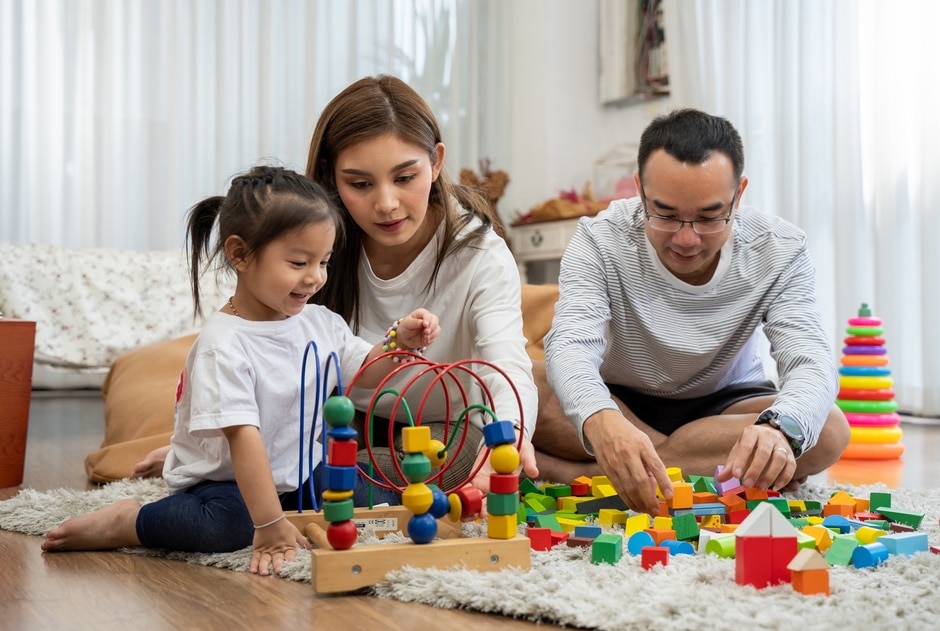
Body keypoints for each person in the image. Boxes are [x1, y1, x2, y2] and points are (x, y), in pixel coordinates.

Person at [42, 165, 441, 576]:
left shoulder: (320, 322)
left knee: (365, 494)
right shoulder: (223, 345)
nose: (315, 277)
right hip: (225, 480)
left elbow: (364, 372)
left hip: (297, 469)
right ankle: (127, 520)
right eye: (299, 262)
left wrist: (398, 343)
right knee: (230, 526)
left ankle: (183, 453)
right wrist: (269, 526)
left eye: (323, 261)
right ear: (240, 255)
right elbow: (243, 438)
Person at [533, 108, 850, 515]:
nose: (686, 238)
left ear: (740, 194)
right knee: (525, 383)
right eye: (664, 214)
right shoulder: (599, 239)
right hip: (621, 400)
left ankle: (579, 472)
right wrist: (601, 421)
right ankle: (676, 466)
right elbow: (572, 346)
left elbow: (810, 360)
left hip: (725, 406)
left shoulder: (780, 249)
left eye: (708, 216)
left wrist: (777, 428)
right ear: (639, 190)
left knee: (825, 428)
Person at [305, 74, 538, 500]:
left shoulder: (480, 254)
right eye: (359, 184)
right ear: (330, 178)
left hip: (445, 427)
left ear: (435, 162)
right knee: (281, 470)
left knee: (332, 486)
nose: (386, 203)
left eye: (405, 177)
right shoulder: (316, 245)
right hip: (345, 419)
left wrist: (509, 441)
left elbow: (504, 363)